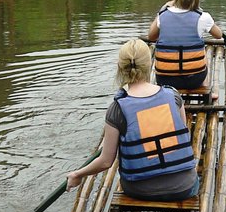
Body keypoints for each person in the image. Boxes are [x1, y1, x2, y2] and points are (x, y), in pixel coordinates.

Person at [65, 38, 199, 200]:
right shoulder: (173, 95)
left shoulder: (117, 109)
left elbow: (106, 161)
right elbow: (180, 134)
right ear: (150, 63)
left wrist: (77, 174)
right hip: (183, 187)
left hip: (140, 190)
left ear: (120, 67)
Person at [147, 0, 223, 97]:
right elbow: (218, 35)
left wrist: (163, 8)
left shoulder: (163, 15)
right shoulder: (203, 17)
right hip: (194, 79)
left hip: (165, 79)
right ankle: (205, 88)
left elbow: (151, 36)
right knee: (204, 56)